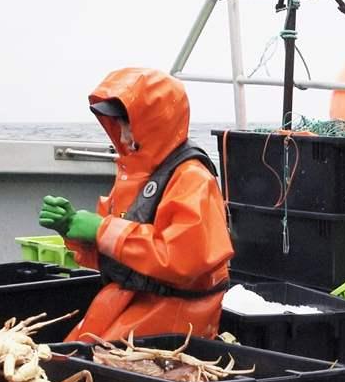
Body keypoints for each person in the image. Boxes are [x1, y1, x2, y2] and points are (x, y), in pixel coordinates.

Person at [38, 68, 234, 342]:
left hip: (174, 322)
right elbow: (118, 261)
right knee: (58, 361)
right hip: (126, 303)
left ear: (155, 122)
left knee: (77, 368)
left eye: (127, 122)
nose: (122, 132)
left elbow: (181, 261)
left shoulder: (192, 178)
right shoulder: (135, 174)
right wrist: (71, 230)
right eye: (117, 123)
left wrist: (101, 230)